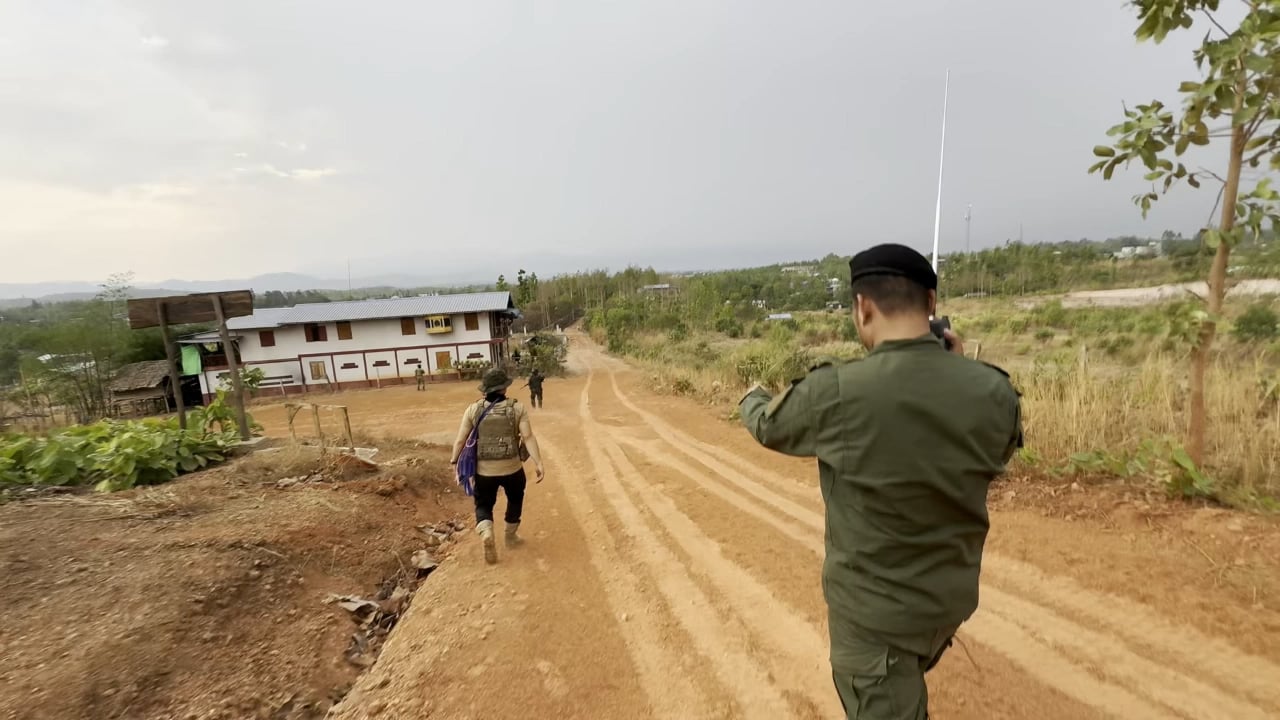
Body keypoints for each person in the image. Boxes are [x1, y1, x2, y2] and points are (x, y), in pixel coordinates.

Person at [738, 243, 1023, 720]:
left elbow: (771, 425)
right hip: (945, 605)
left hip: (875, 621)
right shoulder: (993, 390)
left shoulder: (838, 392)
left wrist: (752, 396)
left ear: (862, 307)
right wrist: (958, 367)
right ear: (932, 305)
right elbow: (998, 450)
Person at [449, 367, 546, 564]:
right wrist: (539, 462)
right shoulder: (516, 408)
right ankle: (510, 536)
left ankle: (486, 531)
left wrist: (454, 462)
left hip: (484, 472)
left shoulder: (473, 409)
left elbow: (460, 441)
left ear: (485, 389)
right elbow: (527, 437)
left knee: (483, 504)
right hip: (512, 469)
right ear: (504, 388)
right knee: (515, 498)